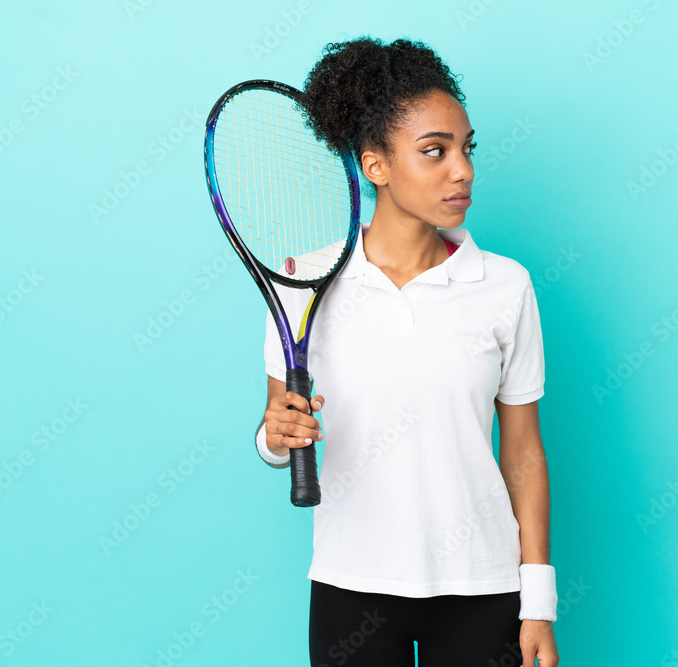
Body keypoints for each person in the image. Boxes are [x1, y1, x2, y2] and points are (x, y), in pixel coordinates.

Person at [254, 36, 560, 667]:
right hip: (349, 586)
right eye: (434, 152)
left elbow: (524, 449)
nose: (463, 170)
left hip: (481, 588)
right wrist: (275, 438)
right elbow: (276, 431)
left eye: (467, 149)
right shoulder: (302, 283)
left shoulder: (506, 286)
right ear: (376, 166)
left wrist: (538, 602)